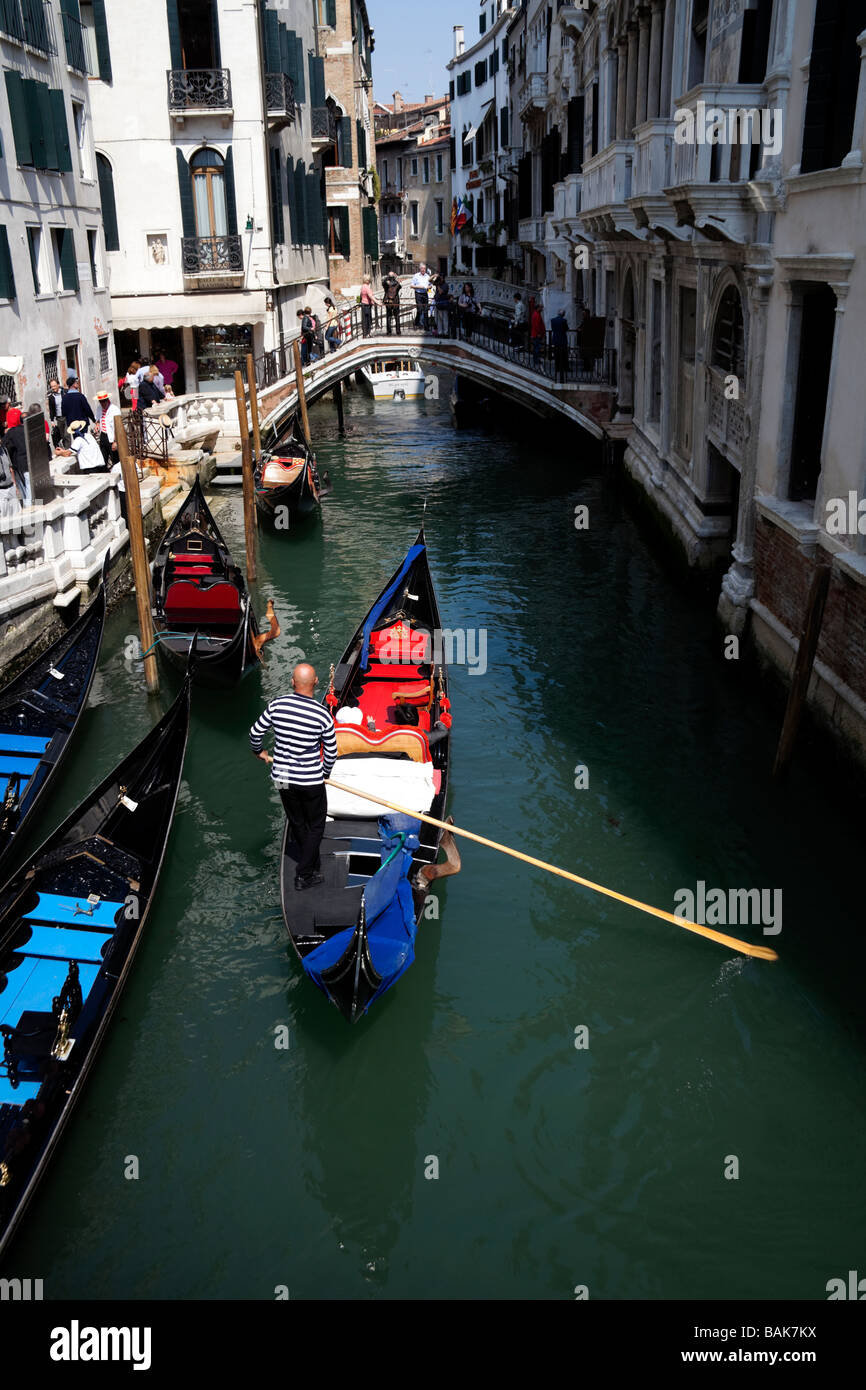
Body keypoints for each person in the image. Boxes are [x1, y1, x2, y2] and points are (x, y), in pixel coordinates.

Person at [249, 662, 338, 891]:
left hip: (281, 776)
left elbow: (255, 732)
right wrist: (324, 773)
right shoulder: (322, 715)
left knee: (297, 820)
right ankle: (304, 873)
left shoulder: (277, 705)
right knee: (316, 826)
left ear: (292, 682)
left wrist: (259, 751)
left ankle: (308, 858)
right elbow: (331, 752)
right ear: (316, 682)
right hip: (309, 780)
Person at [2, 407, 31, 504]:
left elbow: (4, 447)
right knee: (29, 486)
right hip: (31, 461)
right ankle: (31, 505)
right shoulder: (27, 429)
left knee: (23, 486)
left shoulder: (11, 432)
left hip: (17, 464)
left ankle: (28, 506)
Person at [94, 390, 122, 465]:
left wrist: (115, 442)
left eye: (104, 401)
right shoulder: (99, 408)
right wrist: (97, 425)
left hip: (112, 437)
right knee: (103, 459)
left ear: (107, 400)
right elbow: (98, 419)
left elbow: (117, 427)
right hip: (103, 435)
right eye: (101, 401)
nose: (103, 403)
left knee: (115, 459)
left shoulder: (114, 410)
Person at [550, 308, 569, 381]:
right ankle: (564, 367)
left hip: (555, 339)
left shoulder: (553, 320)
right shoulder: (564, 321)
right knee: (564, 354)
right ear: (563, 314)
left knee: (557, 354)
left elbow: (553, 329)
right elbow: (566, 329)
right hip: (562, 339)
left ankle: (557, 367)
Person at [47, 378, 67, 446]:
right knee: (62, 435)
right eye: (52, 386)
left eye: (54, 386)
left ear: (58, 385)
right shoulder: (51, 397)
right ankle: (65, 449)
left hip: (66, 416)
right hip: (59, 418)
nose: (53, 388)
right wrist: (52, 421)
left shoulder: (64, 392)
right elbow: (51, 409)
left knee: (67, 435)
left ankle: (68, 449)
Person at [411, 262, 431, 329]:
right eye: (422, 268)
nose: (423, 270)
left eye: (424, 268)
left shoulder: (428, 276)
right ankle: (417, 323)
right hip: (418, 294)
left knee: (425, 310)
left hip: (425, 294)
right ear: (420, 269)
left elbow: (430, 285)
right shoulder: (416, 275)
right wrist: (420, 287)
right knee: (419, 310)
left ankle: (426, 326)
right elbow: (412, 285)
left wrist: (429, 287)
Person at [382, 269, 401, 334]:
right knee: (397, 316)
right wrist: (396, 278)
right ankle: (398, 331)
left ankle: (389, 331)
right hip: (395, 300)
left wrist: (387, 279)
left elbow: (383, 283)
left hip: (388, 300)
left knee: (389, 316)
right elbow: (399, 286)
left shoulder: (386, 283)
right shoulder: (397, 283)